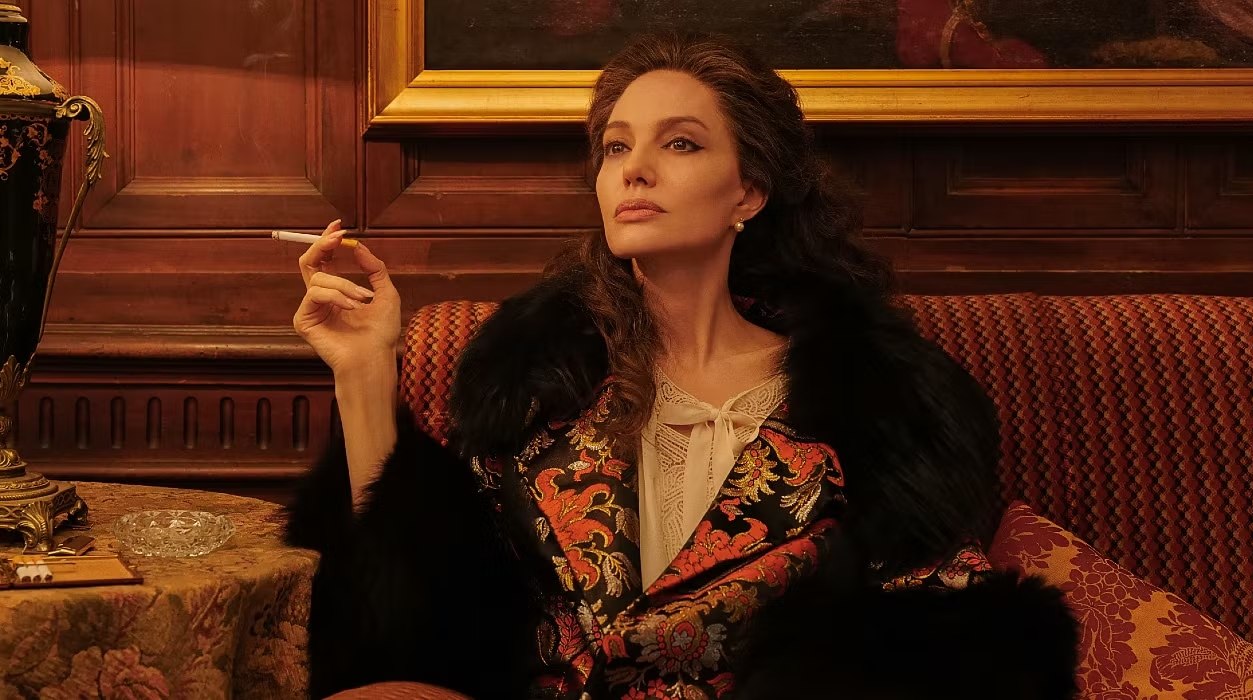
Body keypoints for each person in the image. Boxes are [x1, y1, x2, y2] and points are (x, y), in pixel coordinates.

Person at [285, 32, 1078, 700]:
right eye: (616, 146)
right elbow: (419, 623)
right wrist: (364, 369)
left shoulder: (871, 408)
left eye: (681, 143)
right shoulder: (537, 395)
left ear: (749, 192)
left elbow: (945, 635)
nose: (635, 169)